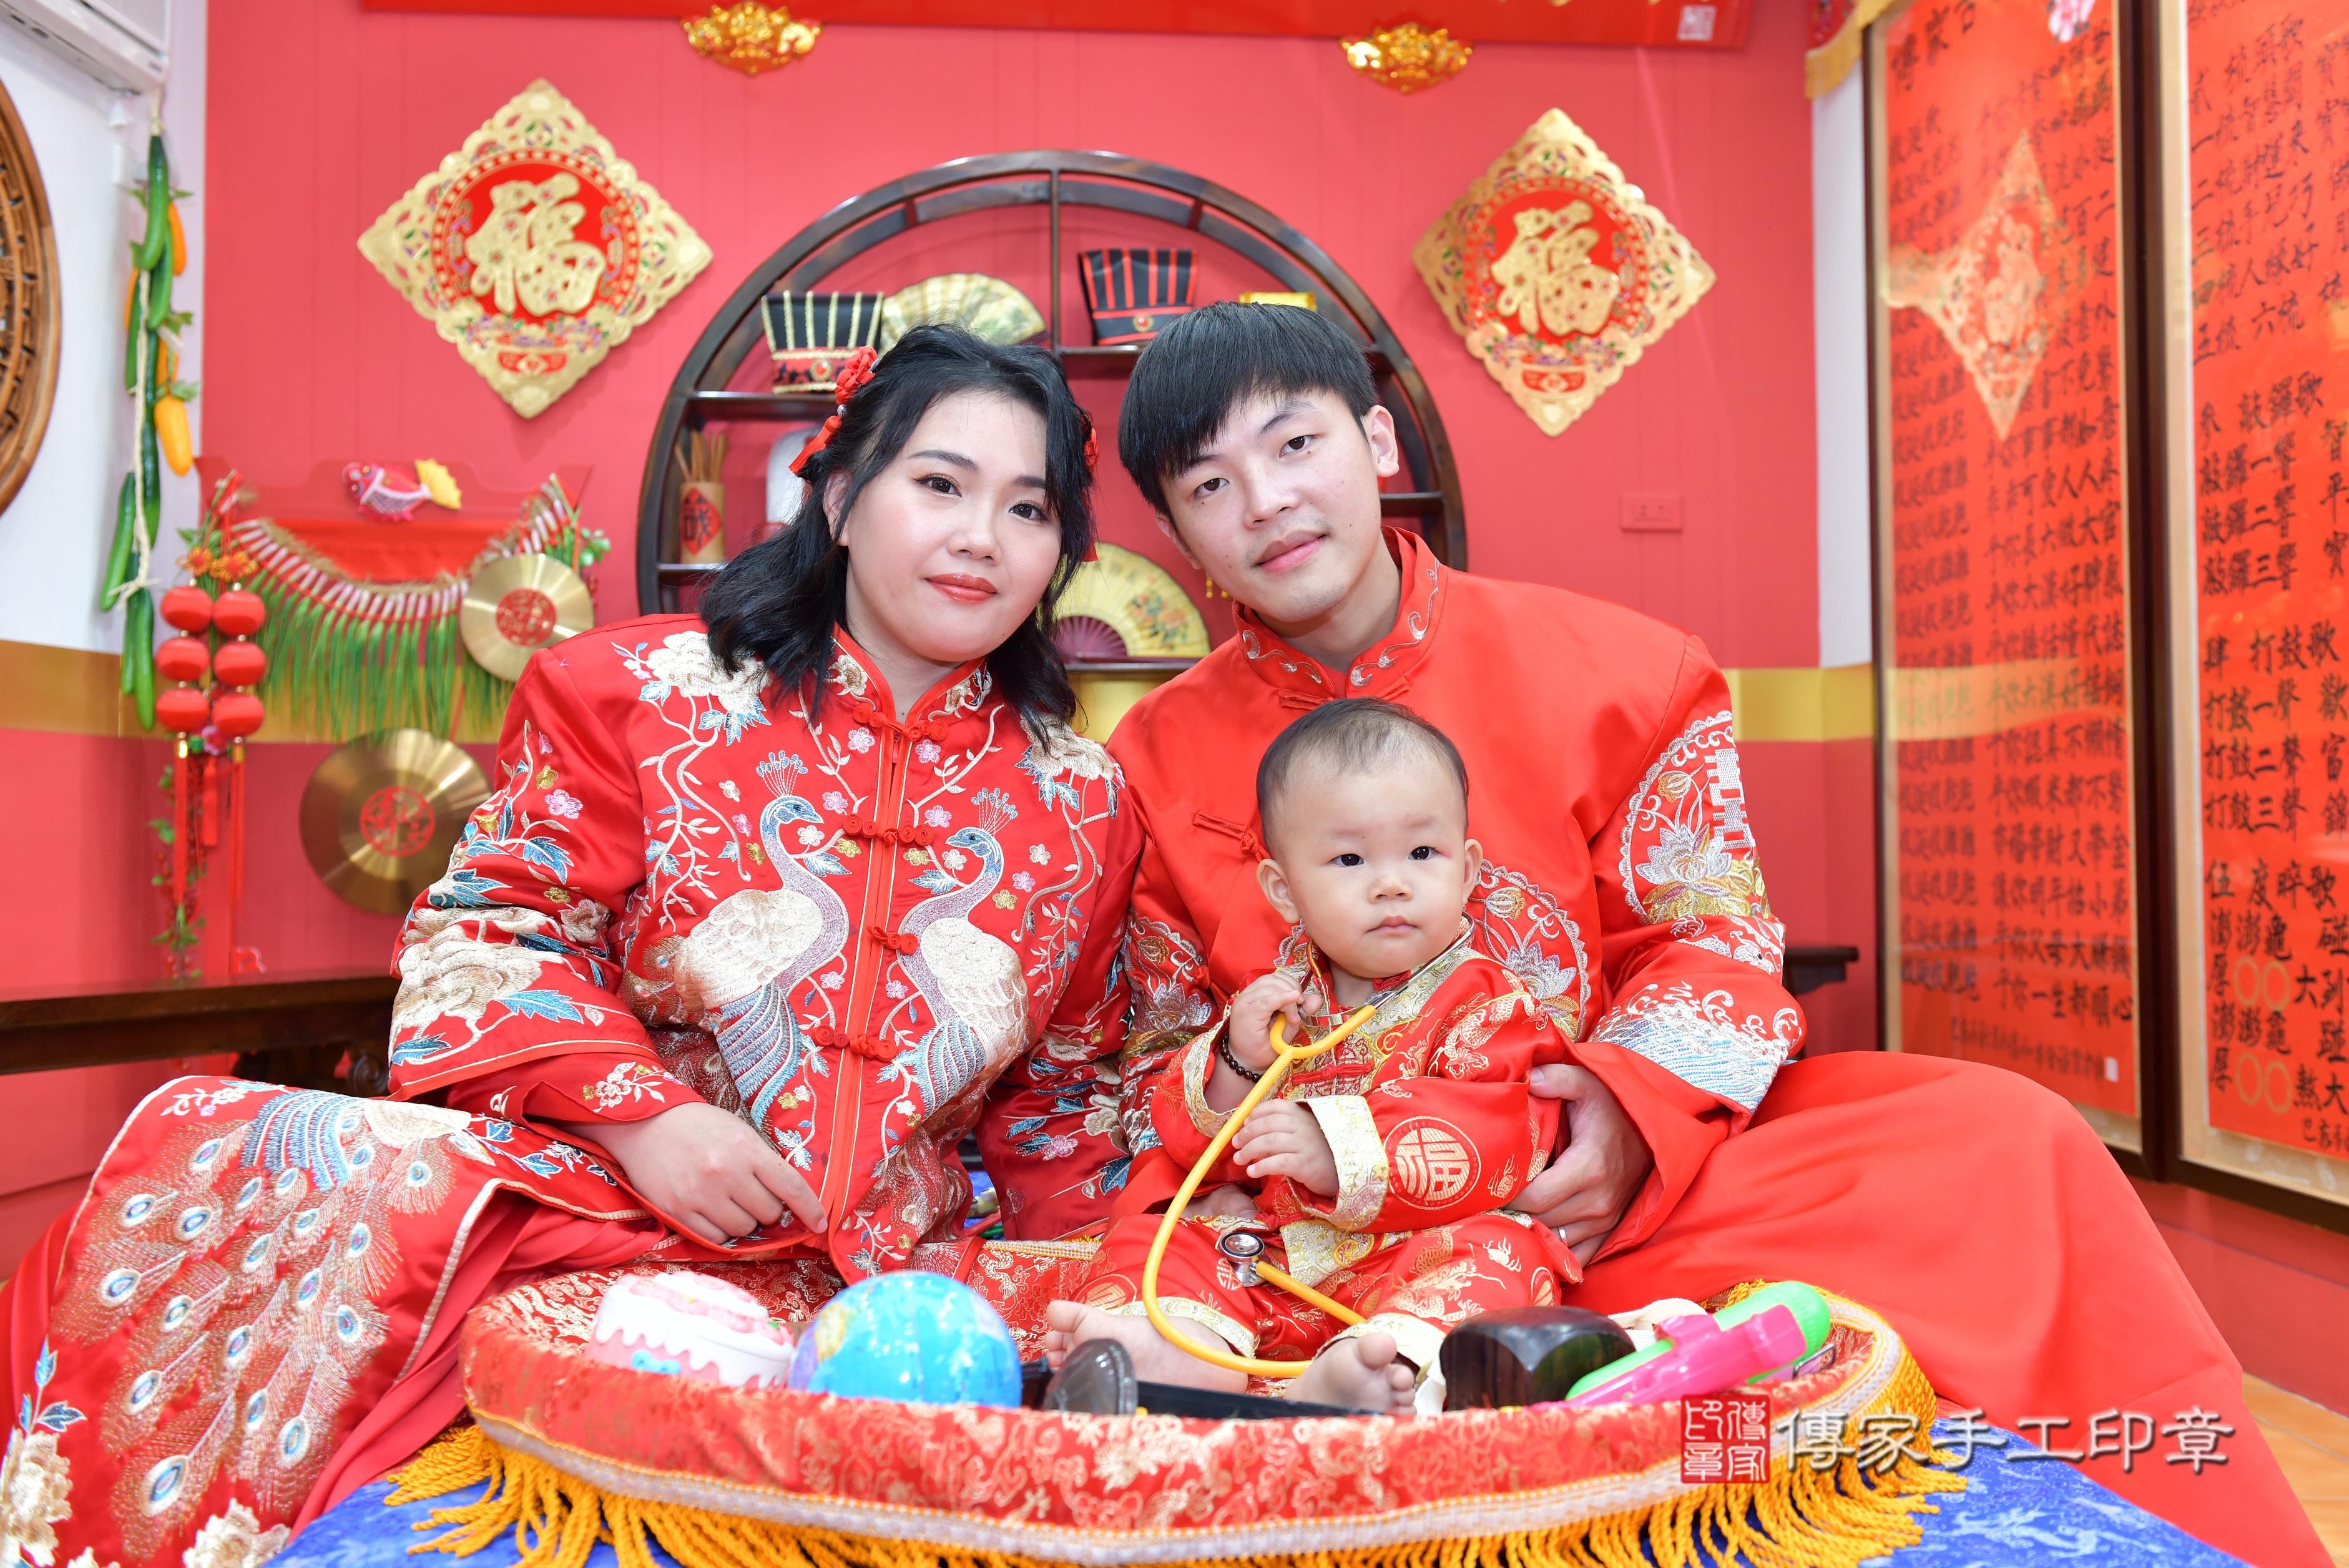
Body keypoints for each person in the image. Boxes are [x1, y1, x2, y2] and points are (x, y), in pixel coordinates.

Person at [1094, 302, 2328, 1567]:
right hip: (1313, 1210)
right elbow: (1151, 1054)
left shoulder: (1622, 671)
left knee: (2006, 1139)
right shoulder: (1146, 759)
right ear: (1179, 535)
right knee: (1145, 1268)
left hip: (1601, 1190)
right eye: (1210, 484)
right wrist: (1252, 1098)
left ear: (1375, 443)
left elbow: (1713, 933)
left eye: (1295, 445)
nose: (1267, 502)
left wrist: (1627, 1115)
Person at [0, 327, 1142, 1568]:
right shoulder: (635, 691)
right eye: (939, 482)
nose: (980, 536)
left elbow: (1065, 1097)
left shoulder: (1084, 799)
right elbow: (494, 926)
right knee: (239, 1169)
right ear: (836, 494)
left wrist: (1111, 1287)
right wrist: (644, 1118)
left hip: (899, 1295)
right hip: (613, 1224)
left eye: (1028, 507)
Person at [1046, 699, 1579, 1409]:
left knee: (1504, 1251)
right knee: (1166, 1235)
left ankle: (1373, 1366)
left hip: (1410, 1255)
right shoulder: (1280, 1000)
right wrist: (1236, 1062)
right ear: (1284, 890)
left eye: (1423, 854)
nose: (1391, 883)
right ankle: (1175, 1348)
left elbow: (1506, 1130)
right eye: (1349, 859)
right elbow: (1194, 1146)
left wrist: (1339, 1149)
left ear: (1468, 870)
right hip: (1272, 1258)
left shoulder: (1490, 1002)